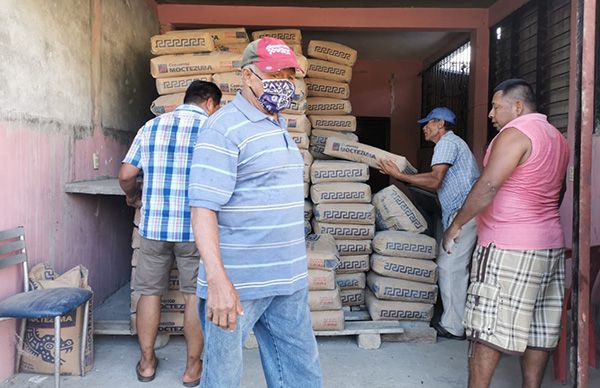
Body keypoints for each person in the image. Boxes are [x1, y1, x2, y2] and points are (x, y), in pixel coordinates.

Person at [188, 37, 322, 388]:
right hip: (238, 284)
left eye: (290, 74)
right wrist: (217, 282)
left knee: (301, 373)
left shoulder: (278, 123)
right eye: (275, 73)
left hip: (287, 279)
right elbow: (203, 209)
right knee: (223, 379)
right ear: (247, 76)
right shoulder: (222, 128)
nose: (285, 81)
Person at [443, 79, 569, 388]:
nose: (490, 113)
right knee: (540, 328)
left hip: (507, 246)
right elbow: (560, 190)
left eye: (496, 106)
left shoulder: (515, 135)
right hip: (549, 244)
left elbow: (488, 185)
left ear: (518, 106)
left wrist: (457, 224)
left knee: (486, 329)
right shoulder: (557, 138)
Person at [119, 80, 222, 386]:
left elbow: (126, 174)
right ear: (210, 103)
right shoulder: (213, 131)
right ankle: (192, 369)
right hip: (196, 229)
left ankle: (147, 363)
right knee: (194, 296)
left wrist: (132, 196)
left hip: (154, 227)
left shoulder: (151, 126)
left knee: (149, 292)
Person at [378, 107, 480, 340]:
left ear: (441, 124)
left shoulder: (446, 143)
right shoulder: (455, 144)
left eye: (428, 123)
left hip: (464, 215)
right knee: (453, 266)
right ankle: (455, 320)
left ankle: (455, 326)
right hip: (464, 213)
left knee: (450, 267)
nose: (424, 128)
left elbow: (435, 180)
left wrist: (401, 176)